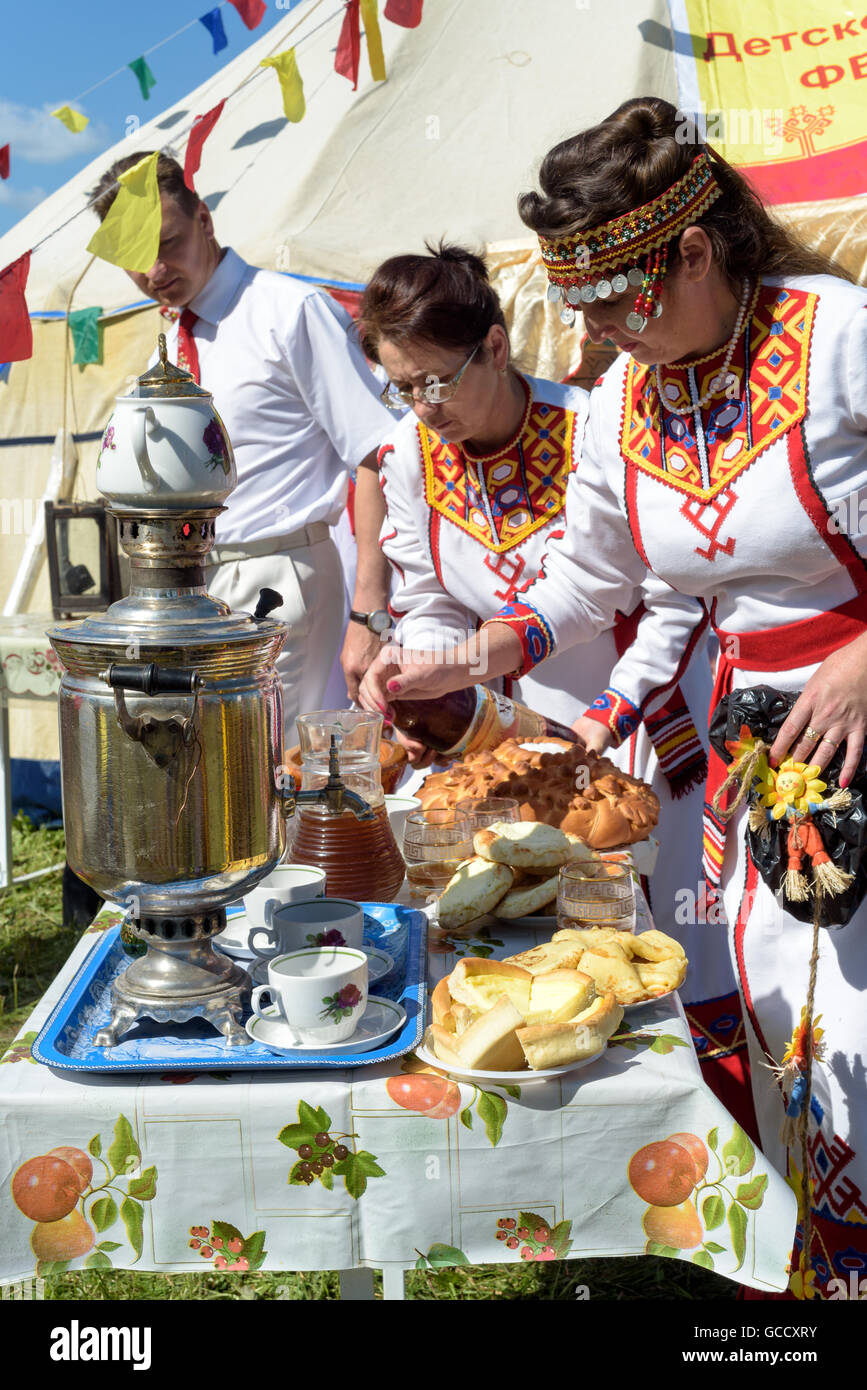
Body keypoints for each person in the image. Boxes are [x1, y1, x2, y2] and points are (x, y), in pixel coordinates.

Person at [362, 98, 867, 1300]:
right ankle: (812, 1279)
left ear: (696, 251)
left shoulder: (839, 334)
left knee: (855, 1035)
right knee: (776, 1018)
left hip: (855, 706)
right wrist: (474, 657)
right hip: (758, 754)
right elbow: (599, 578)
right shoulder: (626, 406)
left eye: (612, 299)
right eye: (578, 303)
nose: (590, 330)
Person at [356, 241, 720, 977]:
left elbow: (665, 593)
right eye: (404, 388)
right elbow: (427, 596)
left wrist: (607, 714)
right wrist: (428, 671)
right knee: (540, 934)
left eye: (437, 382)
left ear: (494, 346)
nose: (425, 407)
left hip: (642, 708)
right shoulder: (408, 455)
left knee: (671, 939)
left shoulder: (598, 428)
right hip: (514, 734)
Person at [88, 152, 393, 736]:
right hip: (192, 587)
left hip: (278, 573)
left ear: (203, 218)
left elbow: (377, 453)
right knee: (215, 776)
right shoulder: (173, 336)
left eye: (168, 242)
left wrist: (370, 613)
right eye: (134, 261)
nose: (154, 270)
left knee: (271, 771)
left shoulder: (289, 311)